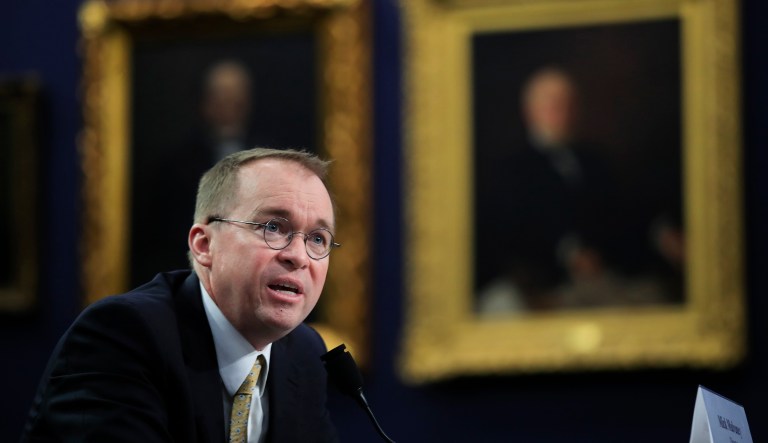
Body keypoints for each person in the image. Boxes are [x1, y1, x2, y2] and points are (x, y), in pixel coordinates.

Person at [22, 148, 340, 442]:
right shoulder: (123, 336)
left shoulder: (304, 353)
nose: (299, 256)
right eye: (273, 227)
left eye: (317, 238)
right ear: (204, 245)